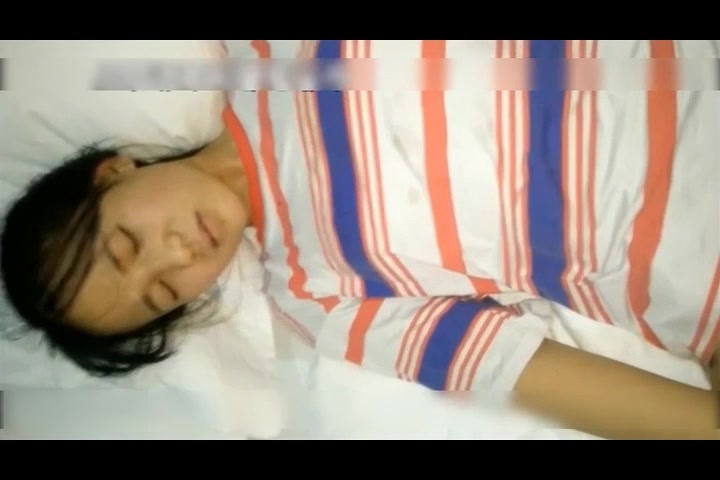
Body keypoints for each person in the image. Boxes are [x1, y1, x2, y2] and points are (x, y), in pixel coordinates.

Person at [1, 40, 719, 440]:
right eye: (162, 292)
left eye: (129, 243)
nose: (179, 257)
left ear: (111, 172)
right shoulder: (320, 302)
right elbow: (534, 372)